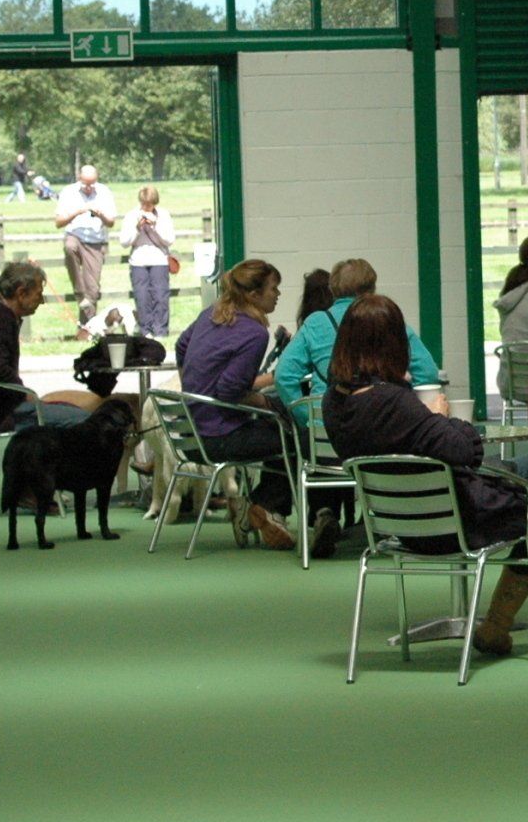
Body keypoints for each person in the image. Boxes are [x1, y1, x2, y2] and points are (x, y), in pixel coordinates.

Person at [323, 293, 528, 650]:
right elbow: (465, 451)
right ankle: (496, 624)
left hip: (396, 518)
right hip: (447, 523)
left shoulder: (335, 400)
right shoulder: (393, 403)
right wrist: (440, 416)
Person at [174, 259, 301, 550]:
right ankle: (264, 507)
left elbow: (181, 346)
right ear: (254, 295)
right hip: (219, 439)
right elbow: (230, 390)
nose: (278, 294)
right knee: (292, 436)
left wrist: (193, 386)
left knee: (276, 430)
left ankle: (258, 510)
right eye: (274, 288)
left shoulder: (210, 314)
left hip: (191, 435)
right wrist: (267, 403)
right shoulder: (255, 334)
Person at [273, 257, 440, 425]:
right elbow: (427, 373)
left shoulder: (315, 323)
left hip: (325, 435)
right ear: (371, 289)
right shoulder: (386, 318)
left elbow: (283, 376)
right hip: (382, 427)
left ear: (332, 289)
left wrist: (308, 418)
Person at [0, 260, 104, 434]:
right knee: (84, 419)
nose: (41, 301)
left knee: (65, 409)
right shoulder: (0, 321)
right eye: (38, 294)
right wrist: (24, 393)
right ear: (21, 293)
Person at [55, 164, 116, 333]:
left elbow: (111, 222)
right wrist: (77, 212)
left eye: (92, 184)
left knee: (93, 290)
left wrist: (100, 214)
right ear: (79, 179)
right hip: (75, 235)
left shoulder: (104, 192)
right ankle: (79, 293)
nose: (89, 188)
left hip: (95, 241)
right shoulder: (68, 192)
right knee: (69, 247)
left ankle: (87, 329)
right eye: (85, 184)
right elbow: (58, 222)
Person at [120, 185, 176, 338]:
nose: (147, 207)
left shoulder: (163, 215)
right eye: (144, 204)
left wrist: (155, 227)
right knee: (142, 296)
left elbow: (169, 240)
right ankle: (146, 330)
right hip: (138, 261)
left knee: (160, 296)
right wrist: (137, 228)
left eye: (150, 204)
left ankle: (161, 331)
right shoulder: (132, 215)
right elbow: (124, 242)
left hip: (159, 260)